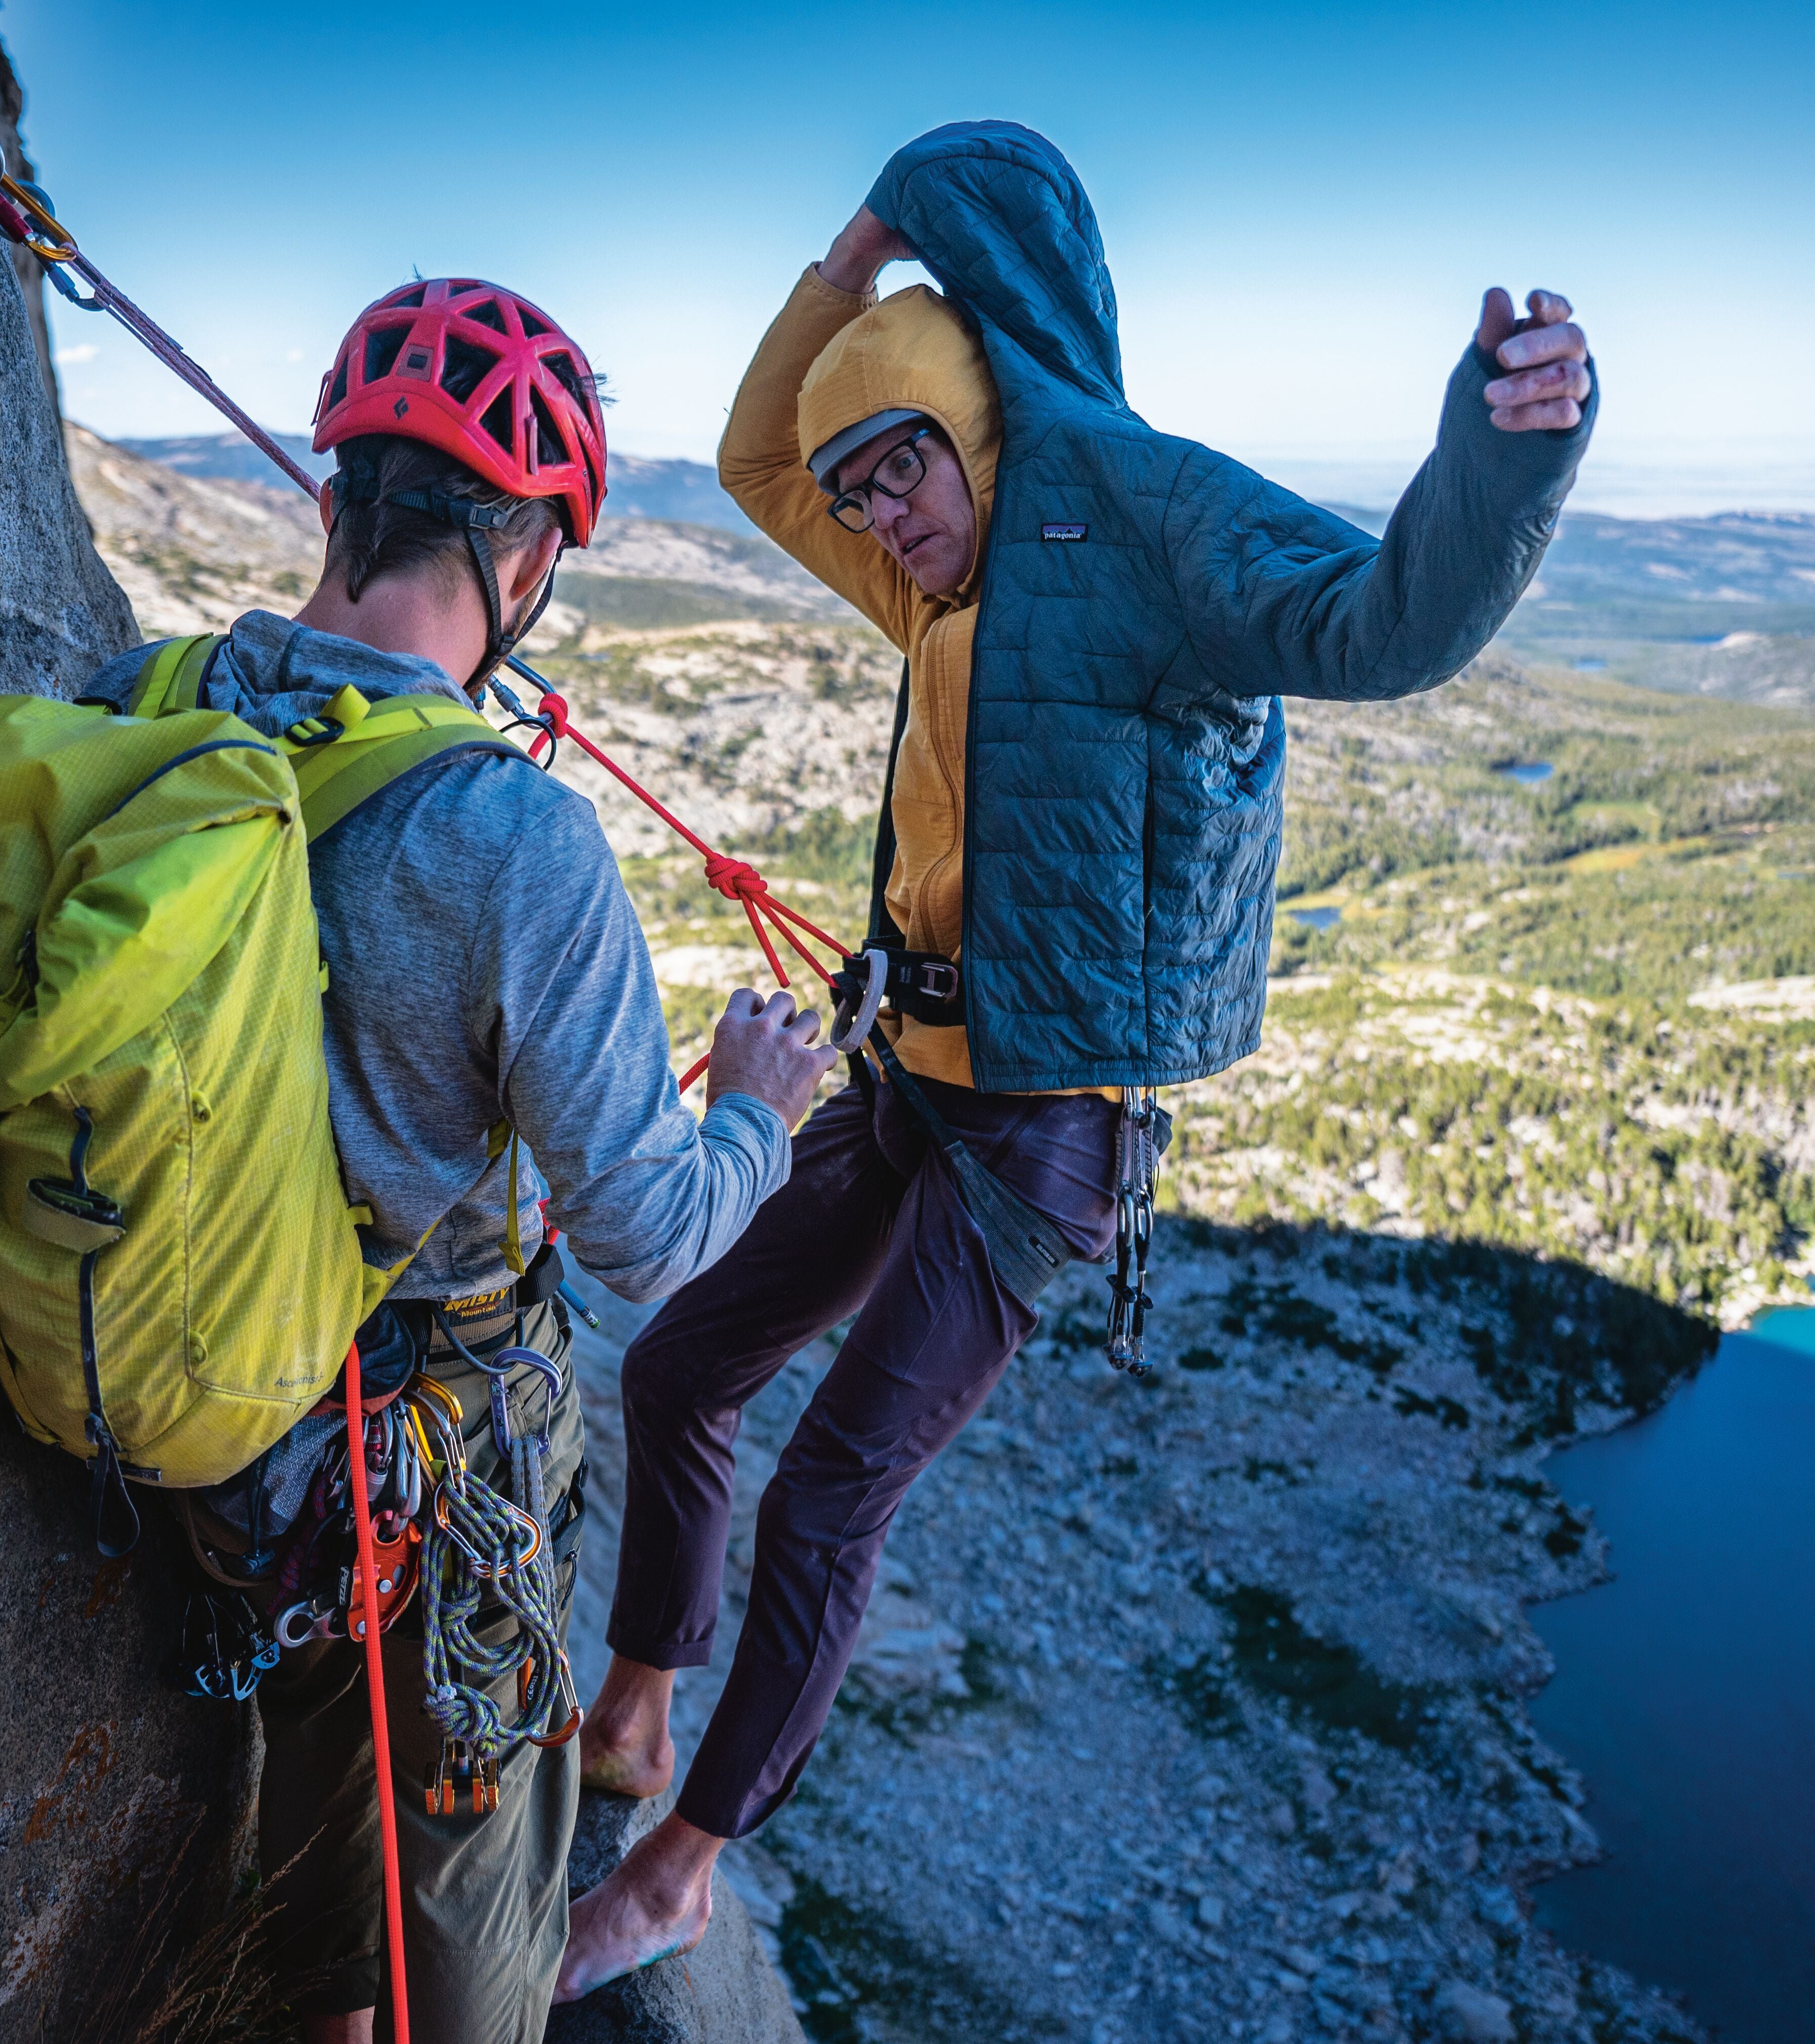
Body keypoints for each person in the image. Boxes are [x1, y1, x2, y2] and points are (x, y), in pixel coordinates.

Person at [554, 121, 1597, 1998]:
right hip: (911, 1082)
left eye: (906, 469)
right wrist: (866, 241)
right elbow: (748, 457)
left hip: (1048, 1133)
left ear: (981, 425)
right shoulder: (939, 591)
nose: (879, 512)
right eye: (865, 489)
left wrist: (1511, 449)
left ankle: (678, 1876)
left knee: (831, 1492)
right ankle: (636, 1702)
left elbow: (1385, 621)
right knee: (691, 1358)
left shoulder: (1129, 518)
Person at [83, 278, 835, 2044]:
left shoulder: (147, 696)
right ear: (532, 562)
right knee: (471, 1922)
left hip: (180, 1379)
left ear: (335, 497)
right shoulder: (514, 841)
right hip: (423, 1468)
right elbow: (650, 1238)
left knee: (315, 1855)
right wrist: (755, 1112)